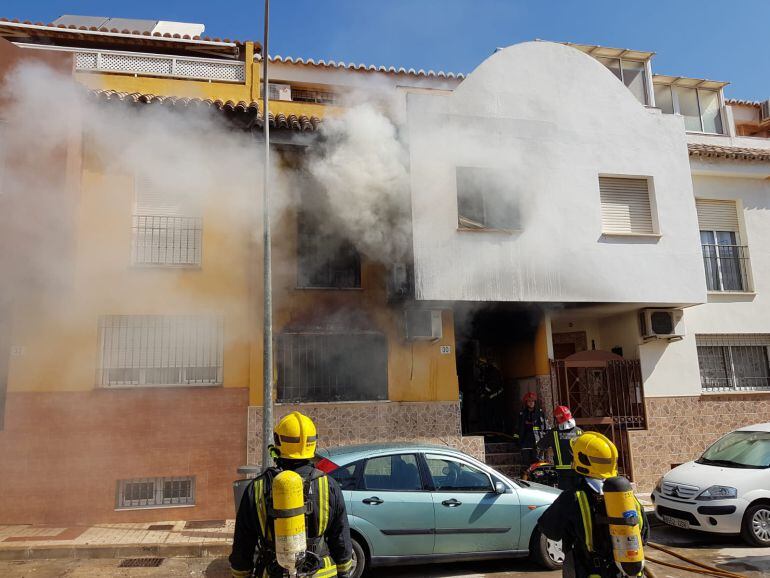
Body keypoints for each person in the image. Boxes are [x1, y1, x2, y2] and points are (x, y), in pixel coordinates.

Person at [229, 412, 353, 578]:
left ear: (278, 442)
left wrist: (240, 573)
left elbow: (243, 547)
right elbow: (341, 540)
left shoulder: (257, 488)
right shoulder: (329, 485)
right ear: (313, 444)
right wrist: (344, 571)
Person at [537, 432, 649, 578]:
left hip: (591, 572)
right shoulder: (626, 496)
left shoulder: (572, 498)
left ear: (582, 460)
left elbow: (549, 529)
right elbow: (645, 536)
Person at [538, 405, 583, 490]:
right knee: (579, 495)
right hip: (579, 471)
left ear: (557, 418)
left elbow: (541, 445)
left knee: (565, 497)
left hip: (563, 473)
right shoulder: (579, 431)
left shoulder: (553, 433)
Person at [516, 392, 548, 468]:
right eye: (529, 401)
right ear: (526, 403)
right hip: (525, 443)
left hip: (537, 442)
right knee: (526, 464)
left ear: (535, 402)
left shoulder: (540, 413)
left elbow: (546, 428)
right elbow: (518, 429)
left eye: (532, 401)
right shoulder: (522, 414)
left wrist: (546, 442)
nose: (531, 403)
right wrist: (517, 440)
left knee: (538, 464)